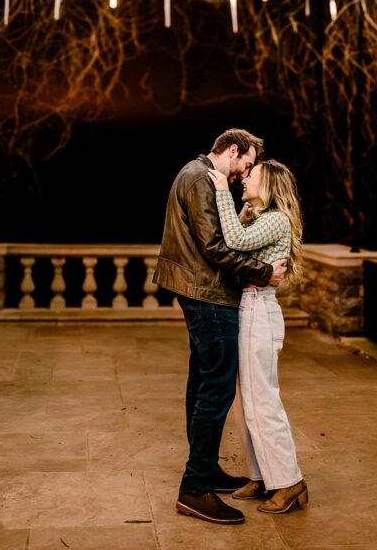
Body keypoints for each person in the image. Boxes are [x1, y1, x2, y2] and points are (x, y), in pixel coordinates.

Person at [154, 128, 288, 525]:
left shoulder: (195, 174)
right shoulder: (200, 178)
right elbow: (215, 247)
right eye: (246, 163)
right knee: (216, 387)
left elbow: (222, 238)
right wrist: (264, 273)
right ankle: (195, 487)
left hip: (200, 290)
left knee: (202, 381)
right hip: (208, 294)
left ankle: (206, 469)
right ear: (232, 150)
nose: (244, 173)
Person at [207, 160, 308, 514]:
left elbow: (235, 240)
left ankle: (289, 481)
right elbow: (234, 246)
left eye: (252, 174)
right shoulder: (260, 218)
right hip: (249, 307)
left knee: (262, 400)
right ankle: (262, 475)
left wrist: (222, 191)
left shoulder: (277, 219)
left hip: (259, 309)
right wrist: (241, 212)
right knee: (245, 401)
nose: (244, 177)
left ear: (269, 184)